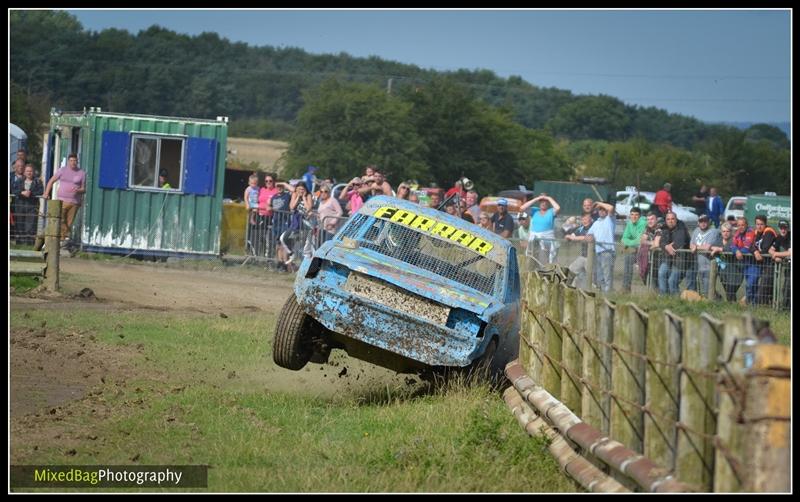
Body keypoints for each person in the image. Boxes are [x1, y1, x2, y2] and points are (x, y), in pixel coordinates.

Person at [43, 153, 86, 245]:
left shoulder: (82, 173)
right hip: (62, 200)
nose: (73, 162)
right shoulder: (62, 171)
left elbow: (84, 189)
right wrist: (46, 193)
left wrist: (78, 190)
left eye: (75, 161)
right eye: (71, 161)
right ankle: (58, 240)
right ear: (68, 161)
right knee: (61, 219)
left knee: (69, 223)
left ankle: (61, 242)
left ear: (77, 161)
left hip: (75, 202)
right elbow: (51, 181)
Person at [654, 211, 690, 295]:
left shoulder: (681, 228)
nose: (670, 221)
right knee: (661, 272)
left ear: (676, 219)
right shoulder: (665, 228)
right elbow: (661, 242)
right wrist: (666, 246)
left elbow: (680, 242)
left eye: (673, 219)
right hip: (668, 258)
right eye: (668, 219)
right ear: (666, 220)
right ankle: (664, 297)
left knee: (672, 281)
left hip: (680, 260)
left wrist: (670, 247)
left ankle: (675, 299)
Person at [520, 194, 561, 265]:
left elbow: (558, 208)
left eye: (545, 201)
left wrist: (548, 197)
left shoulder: (551, 211)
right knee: (531, 260)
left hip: (547, 241)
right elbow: (522, 208)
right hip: (534, 241)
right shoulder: (535, 211)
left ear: (548, 202)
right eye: (541, 201)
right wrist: (536, 198)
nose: (543, 203)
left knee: (544, 261)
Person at [586, 200, 617, 293]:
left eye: (603, 209)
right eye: (600, 209)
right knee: (600, 277)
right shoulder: (596, 223)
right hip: (598, 252)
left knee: (607, 276)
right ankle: (603, 294)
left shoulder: (610, 219)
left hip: (608, 251)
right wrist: (590, 238)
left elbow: (611, 208)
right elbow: (589, 235)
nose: (601, 211)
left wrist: (598, 203)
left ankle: (608, 295)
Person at [688, 214, 722, 296]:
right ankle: (716, 300)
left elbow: (707, 247)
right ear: (698, 223)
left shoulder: (713, 231)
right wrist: (695, 247)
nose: (703, 223)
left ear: (709, 222)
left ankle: (717, 301)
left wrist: (696, 247)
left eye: (705, 221)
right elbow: (691, 245)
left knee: (708, 290)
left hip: (710, 265)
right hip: (699, 265)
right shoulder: (696, 231)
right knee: (705, 289)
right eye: (701, 221)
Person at [11, 163, 44, 245]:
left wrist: (31, 193)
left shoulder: (37, 181)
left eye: (31, 171)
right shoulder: (19, 181)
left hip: (32, 206)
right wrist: (22, 192)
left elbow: (41, 191)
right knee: (20, 225)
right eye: (27, 171)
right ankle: (19, 244)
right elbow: (13, 190)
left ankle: (30, 244)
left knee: (30, 226)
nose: (29, 173)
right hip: (20, 205)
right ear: (24, 172)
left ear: (33, 172)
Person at [711, 222, 743, 302]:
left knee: (730, 292)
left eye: (728, 231)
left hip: (735, 273)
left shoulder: (734, 240)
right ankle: (731, 308)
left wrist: (720, 249)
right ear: (721, 232)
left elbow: (732, 249)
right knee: (729, 294)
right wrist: (713, 247)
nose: (725, 233)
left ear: (731, 232)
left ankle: (732, 308)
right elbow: (712, 246)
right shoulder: (718, 240)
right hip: (723, 273)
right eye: (723, 231)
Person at [731, 216, 758, 305]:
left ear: (746, 225)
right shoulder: (737, 233)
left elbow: (747, 247)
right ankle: (753, 304)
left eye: (743, 225)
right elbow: (732, 246)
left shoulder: (750, 232)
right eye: (739, 225)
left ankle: (751, 303)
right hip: (745, 264)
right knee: (751, 285)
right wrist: (737, 251)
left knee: (751, 284)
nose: (741, 227)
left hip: (753, 264)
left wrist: (739, 251)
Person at [564, 213, 594, 289]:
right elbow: (571, 236)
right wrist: (568, 236)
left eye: (586, 219)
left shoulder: (594, 227)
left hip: (591, 257)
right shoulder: (580, 228)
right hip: (583, 256)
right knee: (571, 269)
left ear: (590, 219)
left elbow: (588, 238)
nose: (585, 221)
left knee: (591, 276)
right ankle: (569, 288)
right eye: (583, 219)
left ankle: (593, 290)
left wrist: (574, 238)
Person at [620, 206, 647, 293]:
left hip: (644, 251)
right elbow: (623, 239)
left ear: (640, 216)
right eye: (632, 215)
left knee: (644, 272)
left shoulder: (643, 223)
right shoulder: (629, 223)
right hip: (634, 250)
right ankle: (625, 288)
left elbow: (640, 241)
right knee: (627, 262)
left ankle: (651, 291)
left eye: (636, 215)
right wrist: (631, 242)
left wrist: (629, 242)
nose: (634, 217)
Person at [752, 215, 777, 305]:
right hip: (762, 264)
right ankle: (767, 306)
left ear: (765, 224)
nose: (759, 226)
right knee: (767, 288)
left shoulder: (768, 232)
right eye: (757, 224)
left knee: (764, 287)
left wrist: (757, 251)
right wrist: (755, 251)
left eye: (761, 224)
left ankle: (759, 307)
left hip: (770, 264)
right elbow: (750, 245)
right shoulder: (756, 233)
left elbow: (765, 248)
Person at [769, 220, 791, 309]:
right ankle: (786, 308)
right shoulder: (779, 238)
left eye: (785, 228)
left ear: (788, 228)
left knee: (788, 288)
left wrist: (777, 254)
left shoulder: (790, 236)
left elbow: (790, 253)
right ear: (779, 228)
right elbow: (770, 250)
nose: (783, 230)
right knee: (786, 288)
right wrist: (774, 256)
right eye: (781, 228)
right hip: (788, 267)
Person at [638, 212, 661, 287]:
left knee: (658, 280)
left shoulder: (659, 228)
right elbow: (642, 241)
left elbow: (657, 244)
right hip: (651, 259)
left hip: (661, 258)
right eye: (648, 219)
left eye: (652, 219)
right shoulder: (648, 228)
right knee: (651, 279)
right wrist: (651, 243)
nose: (650, 221)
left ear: (656, 220)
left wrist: (648, 244)